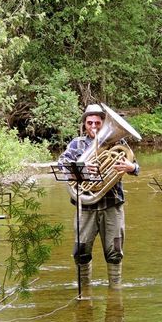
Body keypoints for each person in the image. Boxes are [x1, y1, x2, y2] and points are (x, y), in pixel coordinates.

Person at [58, 104, 139, 289]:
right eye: (89, 123)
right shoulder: (76, 144)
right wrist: (82, 169)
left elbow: (137, 168)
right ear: (84, 124)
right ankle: (84, 292)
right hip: (85, 206)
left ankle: (115, 295)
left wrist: (131, 167)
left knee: (115, 251)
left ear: (103, 123)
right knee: (81, 250)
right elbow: (61, 164)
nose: (93, 126)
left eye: (97, 122)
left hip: (112, 204)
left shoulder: (119, 143)